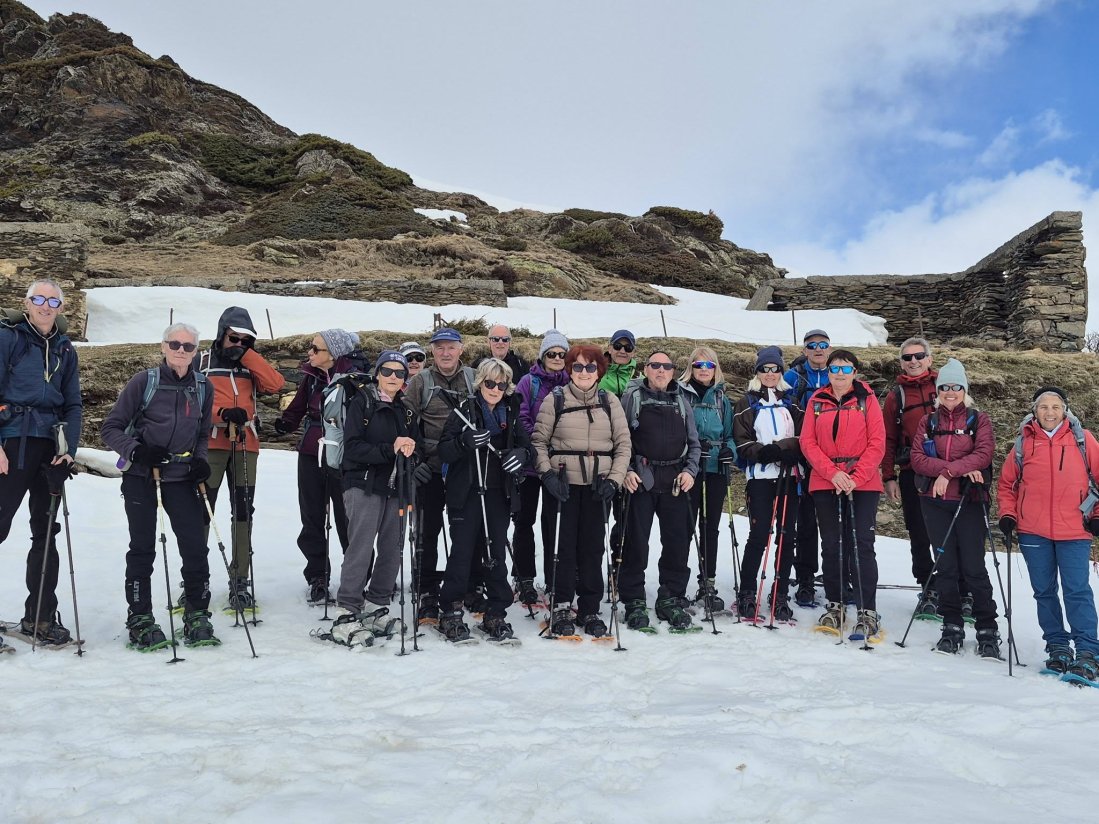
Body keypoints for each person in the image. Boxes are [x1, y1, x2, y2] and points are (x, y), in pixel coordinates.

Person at [101, 323, 217, 649]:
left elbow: (203, 433)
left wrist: (200, 460)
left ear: (197, 352)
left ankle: (197, 612)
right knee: (142, 547)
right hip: (142, 475)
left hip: (181, 477)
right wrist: (136, 451)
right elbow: (110, 429)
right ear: (163, 347)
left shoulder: (203, 387)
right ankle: (140, 617)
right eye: (175, 344)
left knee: (195, 546)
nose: (181, 350)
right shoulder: (145, 382)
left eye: (188, 346)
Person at [0, 279, 81, 649]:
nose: (45, 306)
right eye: (39, 299)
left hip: (51, 447)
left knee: (46, 533)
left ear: (61, 308)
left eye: (53, 300)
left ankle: (41, 618)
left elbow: (73, 403)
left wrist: (69, 450)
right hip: (11, 442)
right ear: (27, 303)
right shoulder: (8, 339)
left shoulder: (66, 349)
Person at [998, 386, 1099, 683]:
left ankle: (1088, 652)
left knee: (1077, 591)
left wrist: (1096, 515)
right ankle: (1057, 647)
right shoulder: (1023, 443)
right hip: (1034, 531)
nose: (1050, 412)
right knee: (1044, 592)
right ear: (1035, 410)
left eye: (1055, 406)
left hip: (1075, 529)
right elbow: (1007, 485)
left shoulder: (1083, 440)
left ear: (1065, 410)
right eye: (1044, 407)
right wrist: (1008, 514)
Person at [532, 344, 631, 637]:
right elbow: (538, 441)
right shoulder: (556, 399)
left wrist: (614, 479)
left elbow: (624, 445)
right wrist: (547, 475)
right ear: (569, 369)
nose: (584, 372)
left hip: (597, 486)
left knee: (592, 548)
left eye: (590, 367)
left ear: (599, 370)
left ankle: (589, 607)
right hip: (563, 485)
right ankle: (561, 603)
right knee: (562, 548)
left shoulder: (610, 401)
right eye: (577, 366)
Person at [326, 350, 420, 645]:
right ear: (378, 373)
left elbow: (415, 449)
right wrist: (389, 449)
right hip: (363, 484)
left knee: (392, 547)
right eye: (388, 371)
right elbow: (352, 448)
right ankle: (348, 607)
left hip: (397, 487)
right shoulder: (361, 402)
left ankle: (378, 602)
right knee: (361, 546)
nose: (394, 377)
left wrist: (410, 454)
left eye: (400, 373)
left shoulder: (405, 409)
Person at [909, 359, 1000, 657]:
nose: (950, 392)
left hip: (969, 502)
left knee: (974, 568)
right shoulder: (928, 421)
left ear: (965, 389)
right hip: (934, 504)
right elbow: (917, 459)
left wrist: (947, 473)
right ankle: (951, 625)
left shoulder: (978, 419)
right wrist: (957, 468)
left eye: (956, 386)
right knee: (945, 567)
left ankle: (988, 627)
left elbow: (984, 454)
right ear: (937, 390)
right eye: (945, 387)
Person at [436, 358, 531, 643]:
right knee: (462, 551)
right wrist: (463, 442)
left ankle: (496, 611)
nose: (495, 389)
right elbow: (444, 450)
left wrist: (521, 456)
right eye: (490, 383)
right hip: (466, 492)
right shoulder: (465, 411)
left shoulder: (511, 412)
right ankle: (451, 610)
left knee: (495, 554)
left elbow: (527, 446)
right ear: (481, 383)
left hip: (498, 493)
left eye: (501, 385)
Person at [197, 307, 285, 610]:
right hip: (211, 442)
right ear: (222, 333)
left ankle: (240, 580)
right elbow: (189, 401)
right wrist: (219, 413)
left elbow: (275, 384)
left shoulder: (250, 363)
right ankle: (196, 579)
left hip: (246, 443)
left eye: (246, 340)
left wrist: (247, 355)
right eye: (234, 338)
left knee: (243, 511)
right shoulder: (202, 362)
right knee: (201, 510)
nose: (239, 344)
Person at [274, 329, 367, 603]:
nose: (310, 353)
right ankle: (317, 576)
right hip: (311, 454)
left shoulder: (357, 379)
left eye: (316, 349)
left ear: (334, 353)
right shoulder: (312, 376)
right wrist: (285, 424)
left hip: (346, 457)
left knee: (348, 520)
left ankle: (356, 577)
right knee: (312, 517)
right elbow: (298, 407)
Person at [799, 349, 885, 639]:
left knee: (862, 543)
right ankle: (835, 604)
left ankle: (867, 610)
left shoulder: (867, 399)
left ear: (855, 373)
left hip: (863, 483)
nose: (839, 374)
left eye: (846, 369)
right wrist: (832, 473)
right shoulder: (816, 401)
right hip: (826, 481)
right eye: (835, 368)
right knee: (832, 544)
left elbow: (877, 442)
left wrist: (855, 477)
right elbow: (808, 442)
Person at [618, 351, 702, 632]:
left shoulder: (682, 400)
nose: (661, 370)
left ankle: (670, 596)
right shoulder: (632, 397)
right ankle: (633, 599)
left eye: (667, 366)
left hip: (675, 480)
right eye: (655, 365)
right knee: (636, 541)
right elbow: (621, 439)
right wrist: (627, 471)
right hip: (641, 479)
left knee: (677, 542)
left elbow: (694, 443)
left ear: (674, 371)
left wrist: (690, 471)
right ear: (646, 369)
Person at [403, 327, 477, 623]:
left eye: (451, 347)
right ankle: (427, 589)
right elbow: (406, 422)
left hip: (465, 468)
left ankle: (469, 584)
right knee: (427, 531)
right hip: (430, 468)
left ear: (461, 349)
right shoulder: (420, 382)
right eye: (440, 347)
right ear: (432, 351)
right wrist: (415, 460)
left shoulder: (474, 377)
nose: (445, 353)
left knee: (466, 532)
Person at [732, 345, 803, 623]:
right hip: (760, 477)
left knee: (787, 536)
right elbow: (741, 439)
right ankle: (748, 591)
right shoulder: (747, 402)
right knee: (759, 534)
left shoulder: (792, 400)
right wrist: (764, 452)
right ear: (758, 371)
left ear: (781, 371)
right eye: (765, 369)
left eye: (775, 369)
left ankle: (781, 591)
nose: (770, 374)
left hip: (788, 476)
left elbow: (805, 434)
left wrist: (785, 449)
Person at [881, 337, 948, 618]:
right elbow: (888, 438)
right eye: (907, 358)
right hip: (912, 472)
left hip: (948, 470)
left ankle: (957, 585)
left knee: (949, 531)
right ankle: (928, 585)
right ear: (901, 363)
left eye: (919, 356)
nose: (914, 361)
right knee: (918, 532)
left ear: (930, 359)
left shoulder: (946, 387)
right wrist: (888, 476)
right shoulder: (896, 396)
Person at [511, 329, 571, 606]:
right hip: (530, 467)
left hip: (558, 466)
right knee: (524, 522)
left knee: (553, 524)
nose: (557, 358)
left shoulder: (572, 382)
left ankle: (554, 578)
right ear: (542, 356)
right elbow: (520, 416)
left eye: (562, 354)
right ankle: (524, 578)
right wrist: (537, 446)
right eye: (552, 353)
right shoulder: (528, 382)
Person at [678, 346, 737, 613]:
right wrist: (688, 446)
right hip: (689, 468)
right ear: (691, 366)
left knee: (709, 526)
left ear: (716, 369)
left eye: (709, 365)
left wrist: (729, 451)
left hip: (714, 468)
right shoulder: (680, 393)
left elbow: (729, 435)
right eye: (699, 364)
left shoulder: (721, 398)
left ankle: (707, 581)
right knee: (684, 526)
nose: (704, 369)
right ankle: (677, 583)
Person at [784, 329, 831, 607]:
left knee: (834, 523)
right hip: (802, 459)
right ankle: (804, 578)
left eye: (822, 345)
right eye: (812, 345)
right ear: (804, 350)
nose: (817, 349)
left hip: (834, 459)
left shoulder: (838, 373)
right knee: (805, 523)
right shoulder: (793, 378)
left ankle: (837, 575)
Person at [599, 329, 642, 397]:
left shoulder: (640, 379)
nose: (622, 351)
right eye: (617, 346)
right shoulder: (595, 375)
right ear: (610, 349)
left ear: (633, 352)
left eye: (628, 347)